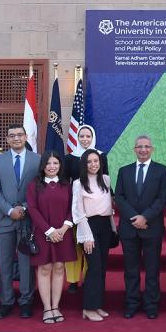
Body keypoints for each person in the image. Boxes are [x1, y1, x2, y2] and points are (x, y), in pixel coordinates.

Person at [0, 124, 40, 319]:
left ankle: (26, 301)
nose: (16, 138)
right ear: (7, 139)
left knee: (27, 263)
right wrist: (10, 210)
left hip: (28, 220)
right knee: (4, 263)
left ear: (26, 137)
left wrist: (25, 208)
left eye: (20, 135)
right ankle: (6, 301)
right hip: (3, 219)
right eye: (12, 136)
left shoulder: (37, 159)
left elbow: (39, 187)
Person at [115, 135, 166, 319]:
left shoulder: (162, 171)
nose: (143, 150)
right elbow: (119, 197)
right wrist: (134, 217)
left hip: (151, 227)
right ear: (134, 149)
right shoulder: (124, 171)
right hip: (129, 229)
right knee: (131, 270)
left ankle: (151, 304)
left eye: (146, 146)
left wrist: (145, 217)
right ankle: (132, 303)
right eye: (139, 147)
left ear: (152, 149)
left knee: (152, 270)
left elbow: (162, 199)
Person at [26, 151, 76, 324]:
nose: (52, 167)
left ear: (60, 165)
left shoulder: (66, 185)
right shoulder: (34, 185)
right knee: (45, 268)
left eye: (55, 163)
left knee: (60, 267)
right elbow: (32, 209)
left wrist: (63, 228)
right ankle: (47, 308)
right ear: (43, 166)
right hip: (43, 232)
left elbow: (73, 208)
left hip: (63, 233)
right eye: (48, 163)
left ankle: (56, 306)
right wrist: (49, 231)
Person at [64, 124, 108, 294]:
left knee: (92, 248)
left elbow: (105, 180)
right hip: (76, 206)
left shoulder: (101, 156)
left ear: (93, 137)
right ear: (77, 137)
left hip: (94, 205)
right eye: (81, 136)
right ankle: (73, 281)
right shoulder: (70, 158)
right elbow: (65, 182)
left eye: (88, 136)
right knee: (76, 244)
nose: (84, 139)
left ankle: (89, 278)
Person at [72, 149, 114, 322]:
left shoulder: (106, 179)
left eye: (96, 161)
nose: (93, 164)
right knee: (93, 267)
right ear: (84, 164)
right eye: (89, 161)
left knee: (102, 267)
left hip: (105, 227)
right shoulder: (78, 183)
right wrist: (87, 236)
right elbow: (77, 210)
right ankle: (88, 308)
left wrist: (113, 229)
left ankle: (97, 305)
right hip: (88, 227)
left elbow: (109, 206)